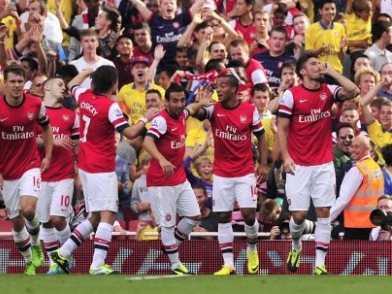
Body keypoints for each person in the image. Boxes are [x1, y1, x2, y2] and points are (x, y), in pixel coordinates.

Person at [51, 65, 158, 275]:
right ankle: (97, 265)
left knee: (95, 217)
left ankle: (63, 252)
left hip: (86, 166)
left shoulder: (84, 95)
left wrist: (87, 71)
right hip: (101, 168)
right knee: (109, 214)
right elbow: (130, 132)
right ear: (113, 84)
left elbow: (72, 84)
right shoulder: (110, 107)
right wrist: (146, 117)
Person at [277, 53, 360, 275]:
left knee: (324, 212)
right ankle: (296, 245)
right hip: (298, 164)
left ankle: (319, 264)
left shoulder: (328, 91)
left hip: (323, 163)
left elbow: (354, 91)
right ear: (302, 71)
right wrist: (285, 157)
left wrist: (331, 72)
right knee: (298, 216)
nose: (317, 66)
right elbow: (282, 128)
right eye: (313, 64)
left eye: (318, 63)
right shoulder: (291, 96)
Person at [187, 75, 268, 275]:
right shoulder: (214, 109)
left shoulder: (249, 110)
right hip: (222, 173)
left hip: (245, 172)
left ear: (234, 89)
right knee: (223, 217)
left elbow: (262, 136)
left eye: (223, 86)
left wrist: (264, 163)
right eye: (217, 86)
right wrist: (199, 103)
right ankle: (228, 264)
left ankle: (251, 248)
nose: (219, 89)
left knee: (249, 215)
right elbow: (196, 115)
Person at [0, 64, 54, 275]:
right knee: (16, 221)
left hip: (30, 164)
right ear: (5, 83)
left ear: (24, 83)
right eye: (11, 81)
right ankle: (30, 260)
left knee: (28, 209)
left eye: (19, 82)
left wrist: (47, 155)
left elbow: (46, 129)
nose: (15, 86)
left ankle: (36, 243)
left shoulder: (36, 104)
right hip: (7, 170)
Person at [142, 83, 202, 275]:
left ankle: (171, 245)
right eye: (174, 101)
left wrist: (201, 103)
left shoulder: (182, 114)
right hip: (161, 182)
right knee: (167, 225)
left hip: (179, 179)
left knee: (194, 216)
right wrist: (161, 159)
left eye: (182, 100)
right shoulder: (161, 121)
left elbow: (190, 109)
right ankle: (176, 265)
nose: (179, 104)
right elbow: (147, 141)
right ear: (165, 102)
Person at [38, 77, 79, 275]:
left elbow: (78, 146)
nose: (64, 88)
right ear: (47, 87)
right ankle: (56, 263)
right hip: (41, 174)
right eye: (60, 84)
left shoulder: (70, 116)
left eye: (65, 85)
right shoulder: (35, 112)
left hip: (64, 174)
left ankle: (65, 255)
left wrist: (80, 172)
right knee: (45, 221)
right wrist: (52, 141)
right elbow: (29, 140)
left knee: (57, 218)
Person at [330, 135, 384, 240]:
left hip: (356, 226)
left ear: (367, 149)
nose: (352, 150)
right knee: (366, 255)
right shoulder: (376, 167)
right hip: (373, 224)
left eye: (357, 147)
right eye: (352, 146)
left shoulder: (358, 170)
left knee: (351, 256)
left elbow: (343, 200)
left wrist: (327, 219)